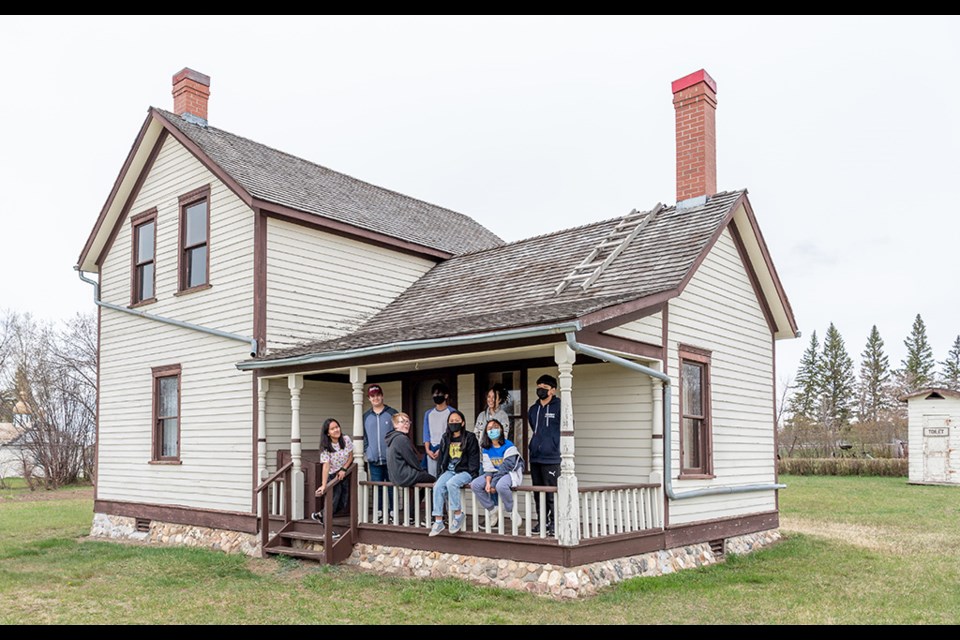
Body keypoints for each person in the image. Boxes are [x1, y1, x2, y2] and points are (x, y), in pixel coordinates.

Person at [428, 410, 480, 536]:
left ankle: (458, 515)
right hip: (449, 470)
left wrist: (473, 473)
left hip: (465, 471)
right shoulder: (445, 438)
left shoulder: (470, 437)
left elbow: (474, 456)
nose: (454, 423)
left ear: (462, 423)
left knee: (452, 484)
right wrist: (440, 475)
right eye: (451, 421)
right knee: (438, 486)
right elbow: (442, 458)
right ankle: (438, 520)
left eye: (457, 421)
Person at [470, 418, 524, 530]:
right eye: (489, 428)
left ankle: (511, 510)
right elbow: (488, 468)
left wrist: (493, 483)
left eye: (495, 427)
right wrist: (488, 482)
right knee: (475, 484)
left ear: (501, 429)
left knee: (501, 486)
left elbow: (508, 465)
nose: (492, 430)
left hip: (510, 473)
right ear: (486, 432)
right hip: (495, 474)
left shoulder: (508, 445)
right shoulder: (487, 448)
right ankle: (492, 510)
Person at [385, 412, 435, 526]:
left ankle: (410, 515)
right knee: (434, 481)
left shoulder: (392, 438)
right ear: (395, 425)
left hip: (396, 476)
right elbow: (411, 459)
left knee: (423, 486)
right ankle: (433, 516)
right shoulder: (401, 438)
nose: (406, 424)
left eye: (408, 422)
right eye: (402, 422)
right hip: (404, 475)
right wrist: (420, 470)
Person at [528, 374, 560, 536]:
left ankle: (555, 522)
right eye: (538, 387)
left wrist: (553, 444)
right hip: (535, 457)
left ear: (553, 390)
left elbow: (566, 429)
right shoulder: (533, 410)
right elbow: (534, 428)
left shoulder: (560, 407)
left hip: (552, 458)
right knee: (538, 492)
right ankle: (542, 521)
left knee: (551, 492)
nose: (540, 390)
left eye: (545, 388)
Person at [311, 418, 353, 530]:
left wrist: (344, 469)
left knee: (343, 504)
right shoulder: (326, 447)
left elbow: (350, 456)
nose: (336, 430)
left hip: (343, 475)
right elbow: (326, 466)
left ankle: (320, 515)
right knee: (332, 504)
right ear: (328, 433)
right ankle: (328, 530)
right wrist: (324, 485)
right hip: (332, 477)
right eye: (332, 429)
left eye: (337, 427)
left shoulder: (346, 439)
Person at [363, 384, 397, 522]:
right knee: (377, 486)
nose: (375, 398)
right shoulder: (366, 416)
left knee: (391, 485)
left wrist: (394, 451)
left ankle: (393, 511)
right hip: (374, 459)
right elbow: (363, 436)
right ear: (369, 398)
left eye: (377, 395)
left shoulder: (392, 413)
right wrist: (367, 451)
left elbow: (398, 433)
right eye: (372, 396)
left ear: (382, 396)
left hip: (390, 458)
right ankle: (379, 511)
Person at [423, 382, 456, 477]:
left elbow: (453, 433)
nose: (436, 396)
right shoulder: (428, 413)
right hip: (431, 449)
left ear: (446, 396)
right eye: (434, 394)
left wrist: (442, 449)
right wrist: (427, 450)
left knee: (446, 476)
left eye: (439, 394)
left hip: (447, 447)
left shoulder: (452, 412)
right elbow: (426, 433)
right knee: (432, 478)